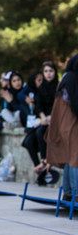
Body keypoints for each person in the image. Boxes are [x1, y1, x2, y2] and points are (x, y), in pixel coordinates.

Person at [45, 54, 78, 202]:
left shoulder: (65, 77)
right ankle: (76, 193)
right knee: (76, 158)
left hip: (63, 123)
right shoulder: (73, 78)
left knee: (68, 157)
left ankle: (68, 192)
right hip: (71, 123)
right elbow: (75, 102)